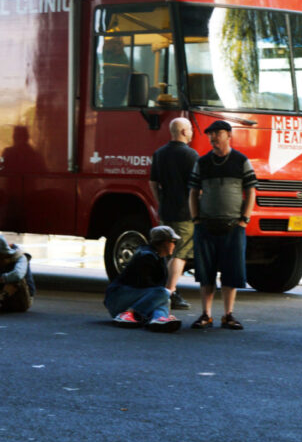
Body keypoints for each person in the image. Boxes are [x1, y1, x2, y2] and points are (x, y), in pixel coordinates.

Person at [188, 120, 257, 330]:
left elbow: (251, 191)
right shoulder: (202, 162)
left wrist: (244, 220)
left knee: (232, 271)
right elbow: (192, 192)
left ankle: (228, 315)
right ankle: (206, 315)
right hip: (206, 226)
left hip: (233, 227)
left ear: (229, 135)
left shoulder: (240, 161)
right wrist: (196, 219)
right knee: (205, 272)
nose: (213, 137)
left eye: (217, 133)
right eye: (210, 134)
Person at [149, 116, 198, 310]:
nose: (192, 133)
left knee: (168, 252)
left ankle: (171, 291)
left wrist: (159, 201)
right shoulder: (191, 155)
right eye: (191, 130)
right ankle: (168, 292)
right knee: (181, 253)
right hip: (185, 212)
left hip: (166, 210)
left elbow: (153, 182)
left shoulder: (159, 153)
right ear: (184, 132)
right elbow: (197, 187)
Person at [103, 226, 182, 332]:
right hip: (117, 299)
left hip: (129, 298)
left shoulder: (158, 256)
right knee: (163, 293)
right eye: (173, 241)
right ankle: (129, 313)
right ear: (164, 242)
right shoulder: (146, 256)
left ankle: (158, 318)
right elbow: (146, 284)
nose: (174, 245)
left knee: (163, 294)